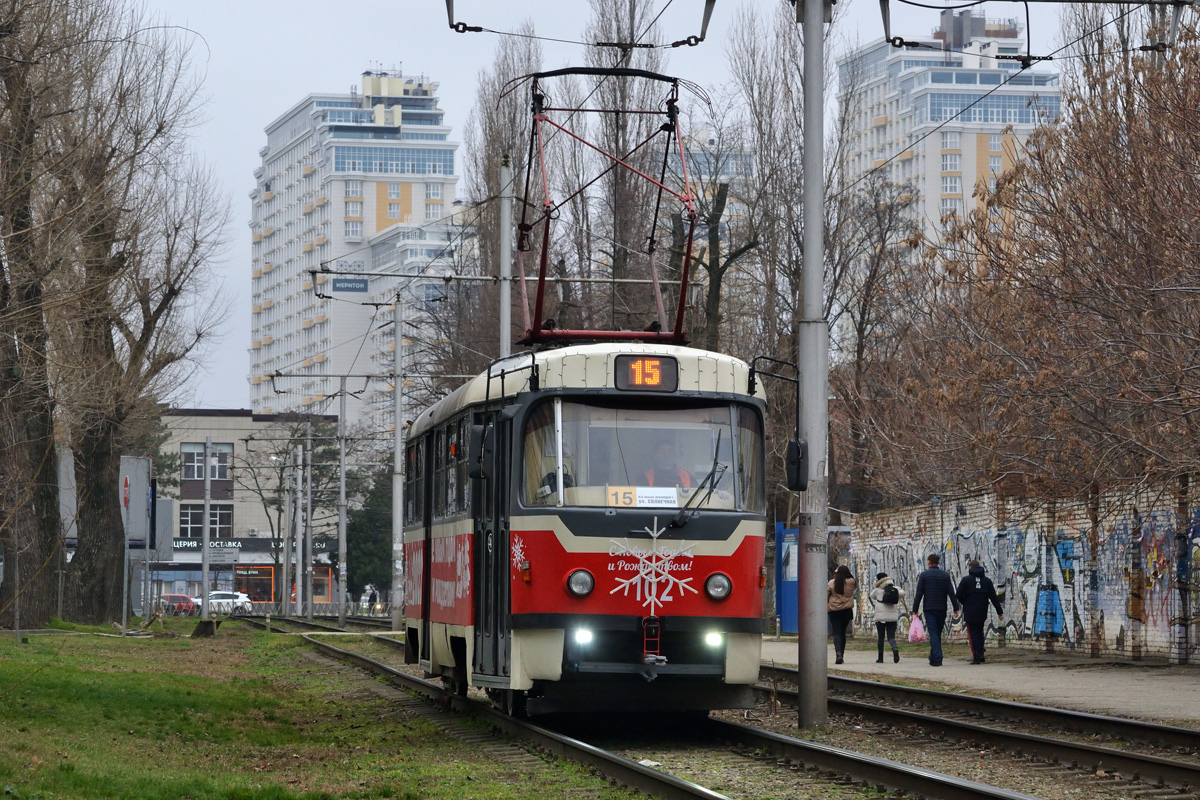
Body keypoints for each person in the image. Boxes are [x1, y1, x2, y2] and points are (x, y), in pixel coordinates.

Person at [911, 553, 960, 666]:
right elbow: (951, 593)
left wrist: (915, 609)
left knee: (933, 633)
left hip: (929, 608)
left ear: (929, 562)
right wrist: (956, 608)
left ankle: (937, 658)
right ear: (938, 562)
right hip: (942, 608)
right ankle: (933, 656)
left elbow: (919, 594)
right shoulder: (945, 575)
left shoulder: (924, 575)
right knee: (937, 632)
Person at [956, 560, 1004, 664]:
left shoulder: (966, 580)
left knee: (973, 634)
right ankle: (981, 653)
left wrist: (965, 601)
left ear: (970, 568)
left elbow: (958, 593)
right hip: (982, 610)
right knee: (979, 631)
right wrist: (999, 612)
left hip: (970, 610)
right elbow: (993, 597)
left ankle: (976, 655)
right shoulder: (987, 581)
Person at [870, 572, 906, 664]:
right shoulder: (895, 588)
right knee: (891, 637)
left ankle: (880, 658)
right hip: (892, 618)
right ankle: (894, 647)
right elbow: (903, 593)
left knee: (881, 638)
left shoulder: (877, 590)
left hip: (881, 618)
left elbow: (871, 597)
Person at [826, 565, 856, 664]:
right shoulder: (852, 582)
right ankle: (841, 654)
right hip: (847, 611)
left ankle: (838, 654)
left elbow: (826, 595)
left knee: (836, 633)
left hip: (834, 610)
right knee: (843, 633)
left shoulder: (831, 583)